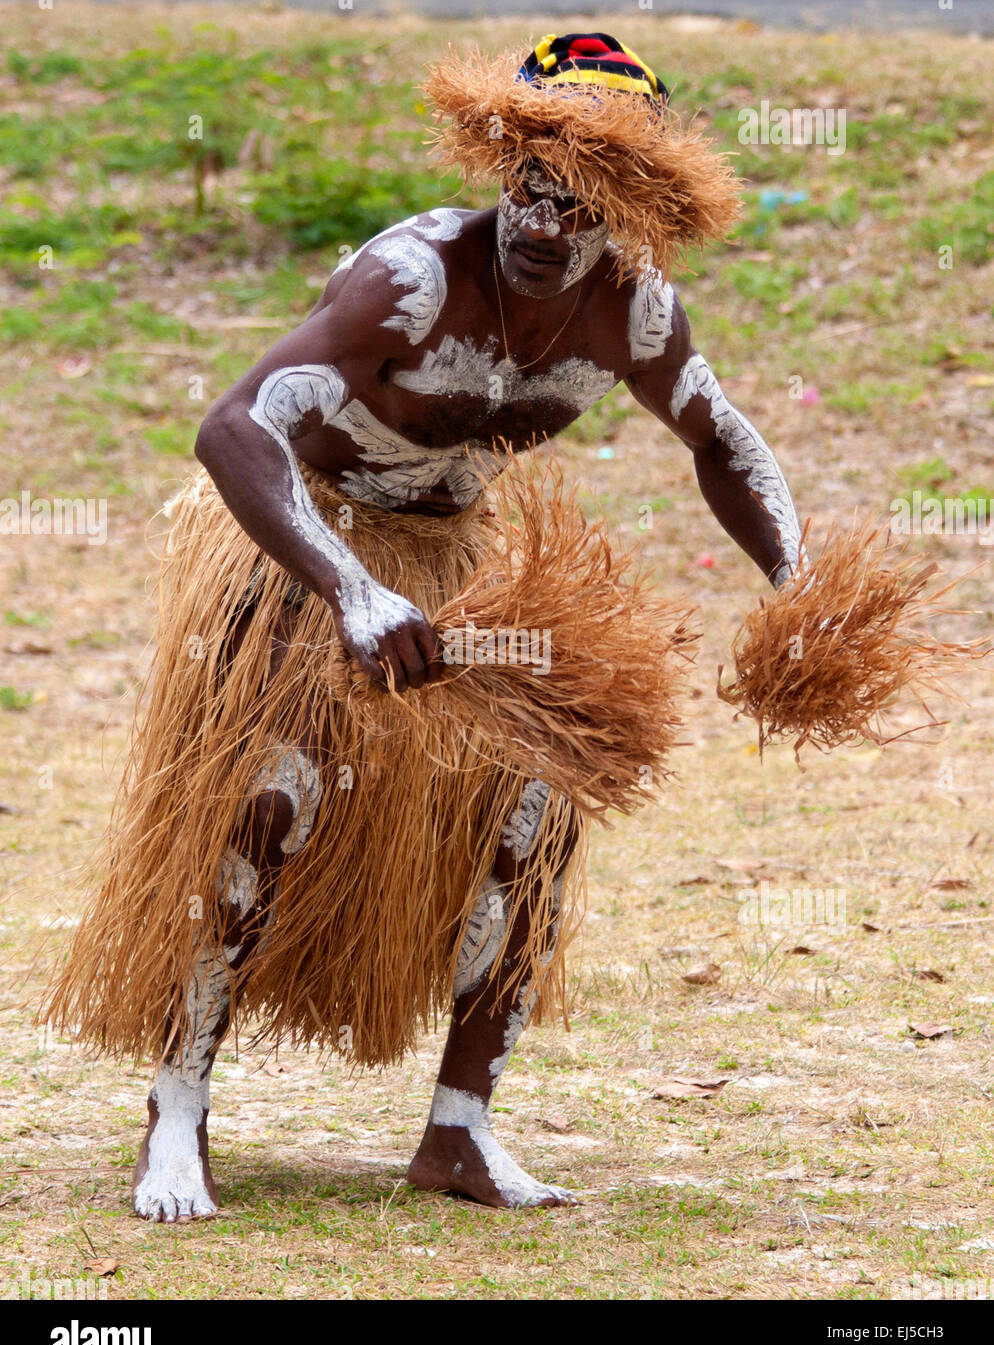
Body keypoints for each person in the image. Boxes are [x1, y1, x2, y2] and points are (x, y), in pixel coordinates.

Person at [44, 33, 802, 1219]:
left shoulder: (635, 318)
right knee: (277, 788)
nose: (543, 224)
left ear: (628, 215)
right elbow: (234, 426)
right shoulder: (410, 279)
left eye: (578, 203)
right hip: (301, 533)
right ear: (501, 171)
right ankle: (178, 1103)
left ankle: (459, 1129)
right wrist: (350, 588)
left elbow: (722, 442)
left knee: (543, 801)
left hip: (452, 561)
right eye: (528, 189)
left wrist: (793, 584)